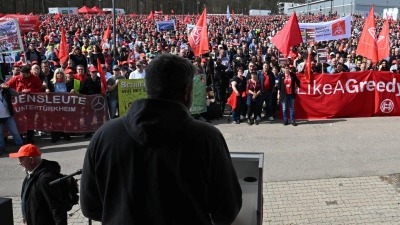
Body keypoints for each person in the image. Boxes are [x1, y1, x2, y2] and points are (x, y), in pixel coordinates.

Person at [81, 54, 242, 225]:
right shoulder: (207, 137)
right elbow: (226, 210)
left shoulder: (104, 135)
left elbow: (91, 207)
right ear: (186, 91)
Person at [9, 144, 67, 225]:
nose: (19, 163)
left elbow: (57, 207)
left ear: (31, 160)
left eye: (21, 159)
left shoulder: (45, 179)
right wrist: (25, 215)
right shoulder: (31, 174)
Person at [7, 66, 43, 143]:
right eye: (21, 74)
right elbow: (7, 86)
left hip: (31, 105)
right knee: (19, 121)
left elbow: (40, 89)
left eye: (24, 75)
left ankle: (30, 138)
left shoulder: (35, 79)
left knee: (30, 122)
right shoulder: (16, 78)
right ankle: (20, 138)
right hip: (19, 105)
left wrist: (30, 90)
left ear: (28, 73)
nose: (22, 76)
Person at [46, 68, 73, 143]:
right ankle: (55, 136)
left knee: (66, 120)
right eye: (58, 73)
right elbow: (48, 91)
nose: (59, 75)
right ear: (55, 74)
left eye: (61, 73)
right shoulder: (51, 82)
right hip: (55, 105)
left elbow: (71, 90)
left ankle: (66, 135)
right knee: (54, 121)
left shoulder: (67, 82)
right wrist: (47, 91)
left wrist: (72, 91)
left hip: (65, 104)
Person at [0, 78, 23, 155]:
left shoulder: (6, 91)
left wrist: (8, 88)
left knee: (15, 132)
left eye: (0, 83)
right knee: (0, 134)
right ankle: (2, 147)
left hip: (8, 116)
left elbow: (16, 94)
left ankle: (20, 145)